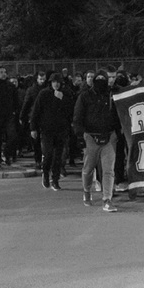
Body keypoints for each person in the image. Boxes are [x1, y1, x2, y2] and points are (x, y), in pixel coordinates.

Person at [73, 69, 121, 212]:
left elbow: (119, 115)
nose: (101, 82)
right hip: (91, 137)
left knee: (108, 171)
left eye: (103, 79)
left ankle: (107, 199)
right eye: (98, 79)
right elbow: (77, 117)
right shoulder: (85, 96)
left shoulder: (112, 96)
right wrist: (80, 137)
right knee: (88, 169)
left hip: (109, 137)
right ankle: (87, 191)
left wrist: (118, 133)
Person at [31, 71, 74, 191]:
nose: (56, 84)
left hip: (61, 130)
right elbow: (36, 111)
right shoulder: (44, 94)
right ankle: (45, 173)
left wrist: (62, 99)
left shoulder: (66, 93)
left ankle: (55, 180)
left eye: (58, 82)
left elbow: (71, 110)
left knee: (58, 157)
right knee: (48, 154)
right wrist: (33, 128)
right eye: (54, 82)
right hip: (47, 130)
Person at [21, 71, 47, 170]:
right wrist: (23, 116)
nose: (42, 81)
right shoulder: (31, 90)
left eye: (43, 79)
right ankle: (38, 160)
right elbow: (26, 104)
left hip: (45, 118)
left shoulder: (47, 89)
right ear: (37, 79)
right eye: (40, 79)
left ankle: (43, 159)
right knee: (36, 141)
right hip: (35, 117)